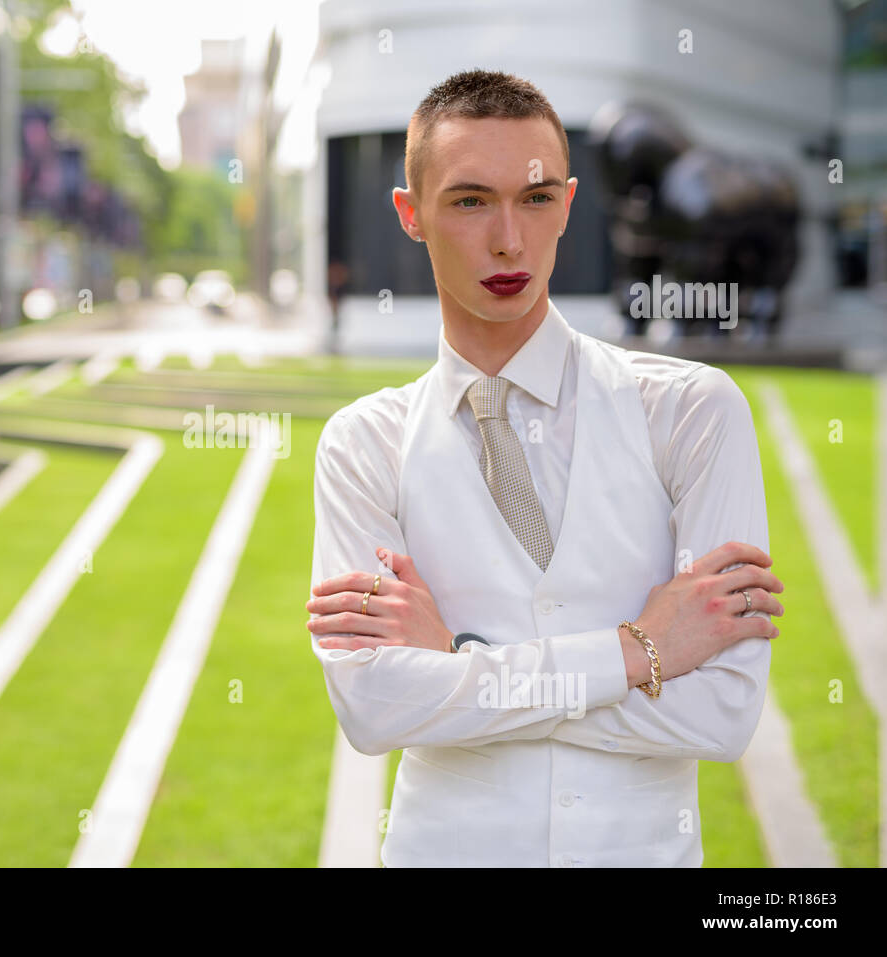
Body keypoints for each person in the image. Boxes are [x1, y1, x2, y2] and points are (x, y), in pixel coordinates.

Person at [305, 70, 784, 868]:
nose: (507, 240)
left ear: (565, 203)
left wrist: (459, 673)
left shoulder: (694, 411)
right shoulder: (363, 444)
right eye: (468, 201)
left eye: (532, 200)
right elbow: (375, 708)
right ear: (411, 214)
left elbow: (721, 715)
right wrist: (638, 653)